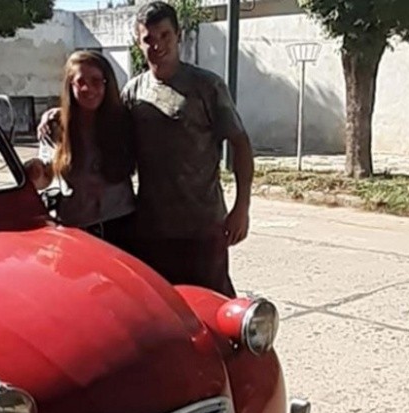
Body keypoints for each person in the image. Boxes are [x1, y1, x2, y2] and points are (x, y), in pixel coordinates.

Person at [38, 2, 254, 298]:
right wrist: (58, 114)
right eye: (148, 38)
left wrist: (242, 207)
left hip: (202, 225)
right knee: (162, 307)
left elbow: (240, 144)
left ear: (178, 35)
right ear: (138, 43)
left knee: (216, 305)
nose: (157, 45)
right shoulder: (133, 91)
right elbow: (96, 118)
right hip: (149, 229)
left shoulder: (207, 86)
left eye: (164, 35)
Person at [25, 50, 137, 249]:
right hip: (76, 227)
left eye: (96, 81)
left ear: (107, 83)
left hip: (121, 224)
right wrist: (35, 173)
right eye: (80, 82)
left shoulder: (125, 122)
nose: (88, 89)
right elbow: (46, 177)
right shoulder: (55, 126)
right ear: (70, 85)